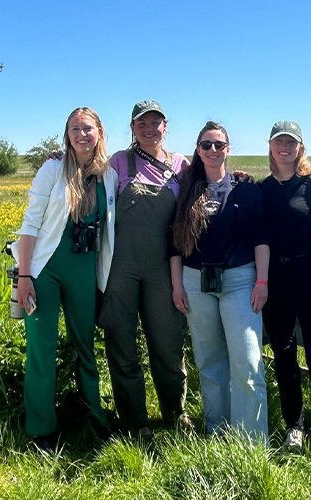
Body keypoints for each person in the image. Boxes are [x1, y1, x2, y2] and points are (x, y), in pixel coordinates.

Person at [12, 107, 117, 449]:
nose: (81, 134)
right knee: (41, 347)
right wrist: (24, 274)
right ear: (67, 134)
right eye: (74, 128)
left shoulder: (109, 174)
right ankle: (41, 428)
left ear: (99, 132)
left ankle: (94, 416)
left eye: (87, 128)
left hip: (85, 268)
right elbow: (30, 224)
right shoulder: (53, 169)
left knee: (85, 345)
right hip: (45, 270)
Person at [170, 121, 269, 443]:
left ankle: (251, 442)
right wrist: (177, 285)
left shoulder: (245, 188)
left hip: (240, 280)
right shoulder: (185, 188)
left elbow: (261, 240)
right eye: (206, 145)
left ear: (228, 149)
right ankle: (217, 431)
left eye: (219, 145)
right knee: (209, 361)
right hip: (195, 281)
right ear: (197, 150)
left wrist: (262, 282)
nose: (213, 150)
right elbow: (173, 244)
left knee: (247, 359)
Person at [99, 100, 191, 439]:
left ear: (166, 126)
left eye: (156, 123)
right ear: (133, 128)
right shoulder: (118, 162)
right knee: (121, 343)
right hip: (120, 267)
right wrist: (58, 158)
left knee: (167, 343)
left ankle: (175, 412)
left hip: (163, 268)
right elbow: (82, 177)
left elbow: (212, 178)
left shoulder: (182, 165)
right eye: (142, 124)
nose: (149, 129)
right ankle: (135, 421)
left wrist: (240, 177)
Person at [259, 120, 311, 458]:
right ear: (270, 147)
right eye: (279, 141)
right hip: (277, 285)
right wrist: (262, 282)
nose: (285, 147)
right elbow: (261, 238)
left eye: (291, 142)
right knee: (284, 356)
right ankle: (294, 425)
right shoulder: (263, 189)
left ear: (300, 148)